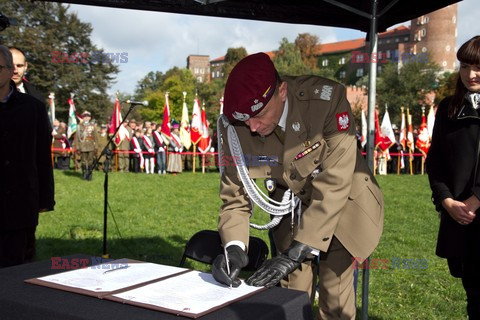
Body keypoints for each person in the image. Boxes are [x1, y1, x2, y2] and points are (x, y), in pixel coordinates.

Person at [211, 53, 384, 319]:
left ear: (282, 91)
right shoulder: (235, 124)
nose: (253, 128)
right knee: (291, 296)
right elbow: (235, 195)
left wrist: (300, 249)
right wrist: (234, 248)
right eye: (245, 121)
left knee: (335, 299)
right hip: (287, 205)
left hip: (342, 205)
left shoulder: (325, 101)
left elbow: (336, 180)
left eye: (259, 116)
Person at [426, 36, 480, 319]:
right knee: (473, 297)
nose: (471, 74)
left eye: (478, 67)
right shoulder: (449, 109)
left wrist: (476, 198)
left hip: (471, 210)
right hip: (461, 222)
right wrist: (446, 200)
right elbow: (434, 163)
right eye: (465, 66)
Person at [0, 45, 55, 268]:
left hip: (20, 205)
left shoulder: (33, 107)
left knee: (16, 272)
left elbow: (43, 157)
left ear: (8, 70)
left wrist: (44, 199)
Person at [74, 110, 98, 180]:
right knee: (83, 160)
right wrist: (77, 147)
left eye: (88, 117)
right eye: (84, 117)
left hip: (91, 146)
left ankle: (90, 173)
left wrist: (96, 147)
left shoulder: (93, 126)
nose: (86, 118)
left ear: (90, 118)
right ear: (82, 118)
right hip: (82, 145)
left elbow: (96, 138)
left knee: (90, 160)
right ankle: (84, 173)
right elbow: (77, 138)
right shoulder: (79, 126)